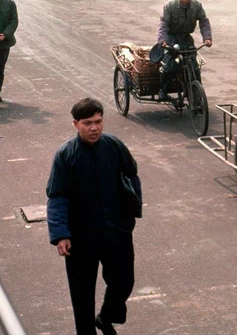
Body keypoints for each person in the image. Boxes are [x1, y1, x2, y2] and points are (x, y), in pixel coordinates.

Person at [46, 98, 142, 335]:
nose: (94, 128)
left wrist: (132, 210)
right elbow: (57, 196)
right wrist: (61, 235)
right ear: (75, 124)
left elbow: (132, 174)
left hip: (116, 232)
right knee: (82, 295)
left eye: (98, 122)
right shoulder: (66, 155)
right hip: (81, 237)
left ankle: (106, 316)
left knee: (123, 282)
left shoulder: (114, 146)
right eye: (87, 123)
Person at [156, 0, 212, 101]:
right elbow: (163, 24)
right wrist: (163, 41)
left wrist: (207, 38)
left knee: (194, 67)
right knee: (170, 66)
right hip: (171, 39)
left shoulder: (197, 6)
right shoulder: (170, 6)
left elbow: (204, 21)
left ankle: (195, 95)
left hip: (186, 38)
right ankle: (163, 91)